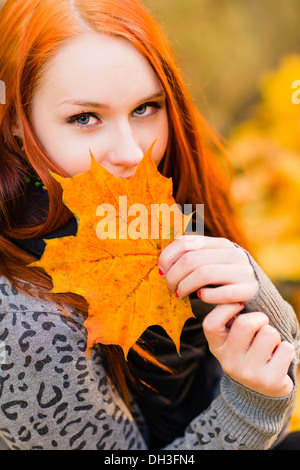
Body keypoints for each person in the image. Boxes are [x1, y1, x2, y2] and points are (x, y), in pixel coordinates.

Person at [0, 0, 299, 451]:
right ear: (17, 123)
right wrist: (252, 408)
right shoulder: (25, 327)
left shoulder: (163, 204)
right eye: (85, 118)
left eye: (145, 108)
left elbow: (276, 387)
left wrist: (257, 300)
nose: (133, 151)